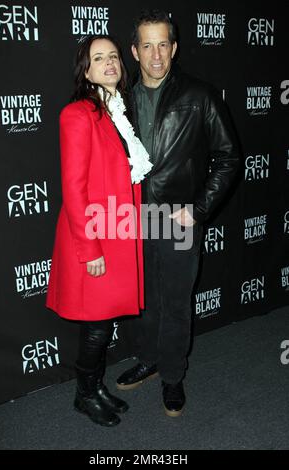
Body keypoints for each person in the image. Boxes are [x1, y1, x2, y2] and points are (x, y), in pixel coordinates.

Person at [116, 10, 241, 417]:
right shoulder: (119, 102)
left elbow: (228, 158)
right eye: (147, 45)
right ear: (134, 51)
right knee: (141, 300)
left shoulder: (200, 95)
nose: (156, 55)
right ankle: (149, 359)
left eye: (163, 44)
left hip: (178, 219)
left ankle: (172, 375)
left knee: (174, 302)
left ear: (175, 48)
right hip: (133, 219)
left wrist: (199, 209)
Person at [46, 34, 152, 427]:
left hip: (117, 232)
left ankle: (95, 387)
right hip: (93, 237)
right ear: (85, 70)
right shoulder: (77, 114)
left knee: (103, 323)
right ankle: (84, 394)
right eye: (98, 58)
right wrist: (89, 250)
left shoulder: (115, 112)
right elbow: (74, 189)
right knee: (96, 326)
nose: (109, 63)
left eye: (113, 57)